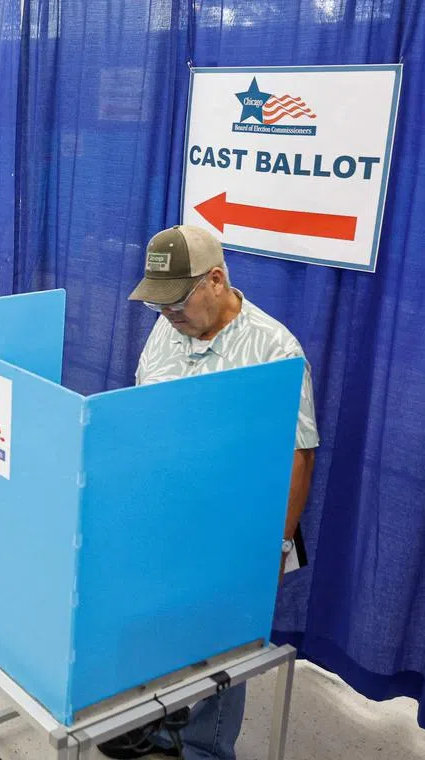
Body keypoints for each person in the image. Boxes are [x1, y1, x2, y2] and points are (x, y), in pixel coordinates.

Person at [101, 225, 319, 760]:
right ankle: (157, 725)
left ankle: (203, 750)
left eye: (176, 301)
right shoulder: (167, 327)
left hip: (233, 526)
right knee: (159, 626)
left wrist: (277, 545)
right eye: (158, 304)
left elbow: (299, 455)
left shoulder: (274, 347)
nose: (166, 314)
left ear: (216, 280)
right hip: (165, 512)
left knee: (222, 646)